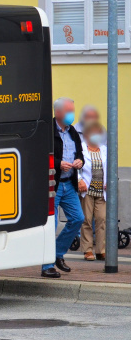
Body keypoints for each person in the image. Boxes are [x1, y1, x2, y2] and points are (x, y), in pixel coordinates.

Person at [42, 97, 85, 279]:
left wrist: (80, 161)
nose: (72, 114)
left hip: (69, 183)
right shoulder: (48, 130)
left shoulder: (72, 131)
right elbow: (40, 155)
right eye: (68, 111)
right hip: (53, 184)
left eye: (73, 110)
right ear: (58, 112)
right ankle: (47, 266)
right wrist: (59, 164)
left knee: (78, 218)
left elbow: (80, 152)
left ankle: (58, 254)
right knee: (51, 224)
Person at [78, 122, 109, 261]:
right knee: (87, 220)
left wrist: (110, 181)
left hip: (101, 191)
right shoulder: (82, 149)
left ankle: (100, 250)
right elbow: (76, 168)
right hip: (87, 190)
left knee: (102, 219)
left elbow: (110, 168)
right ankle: (87, 250)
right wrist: (79, 180)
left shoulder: (104, 150)